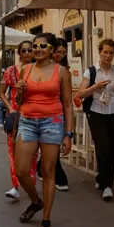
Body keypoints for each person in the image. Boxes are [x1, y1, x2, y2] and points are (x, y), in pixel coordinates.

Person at [13, 33, 74, 227]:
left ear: (51, 49)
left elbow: (67, 104)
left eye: (42, 46)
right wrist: (19, 90)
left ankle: (46, 220)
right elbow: (19, 101)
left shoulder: (62, 72)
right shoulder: (25, 69)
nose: (37, 49)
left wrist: (68, 134)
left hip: (53, 123)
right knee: (21, 170)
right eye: (35, 46)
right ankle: (36, 201)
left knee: (48, 171)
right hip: (28, 121)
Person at [77, 38, 114, 201]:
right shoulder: (91, 71)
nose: (108, 55)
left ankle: (102, 179)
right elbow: (81, 93)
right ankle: (107, 185)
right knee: (103, 147)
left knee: (113, 148)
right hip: (97, 111)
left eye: (111, 53)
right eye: (105, 52)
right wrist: (95, 87)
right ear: (100, 52)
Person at [0, 40, 37, 200]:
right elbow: (1, 92)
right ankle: (15, 186)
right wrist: (10, 107)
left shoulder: (39, 71)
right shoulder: (11, 71)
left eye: (29, 50)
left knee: (33, 152)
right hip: (15, 116)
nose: (27, 53)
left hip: (33, 115)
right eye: (24, 51)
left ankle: (31, 182)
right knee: (13, 151)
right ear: (19, 53)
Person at [36, 39, 72, 191]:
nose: (60, 55)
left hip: (60, 111)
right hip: (46, 112)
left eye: (64, 53)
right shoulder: (44, 68)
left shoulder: (63, 70)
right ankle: (55, 173)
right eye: (58, 52)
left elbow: (67, 98)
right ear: (52, 51)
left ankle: (43, 167)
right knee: (52, 144)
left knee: (54, 143)